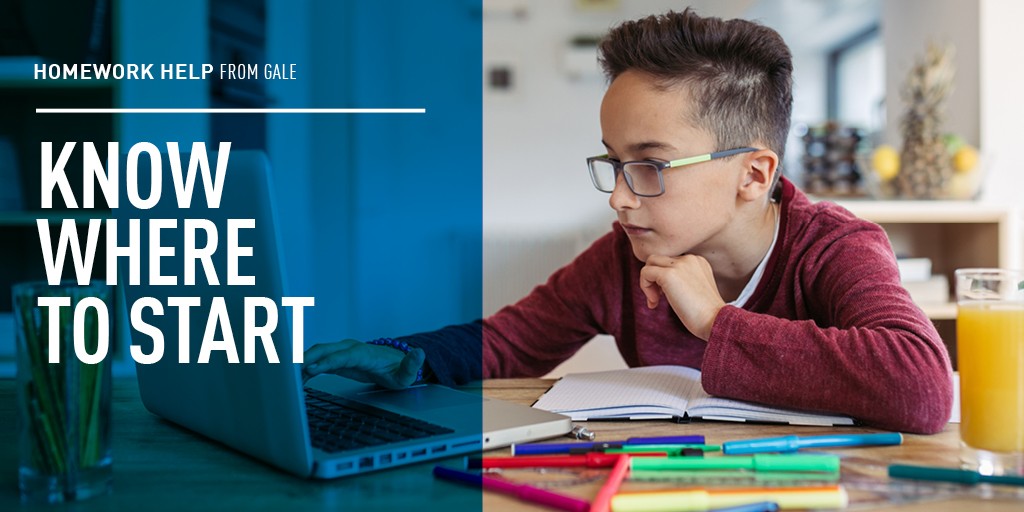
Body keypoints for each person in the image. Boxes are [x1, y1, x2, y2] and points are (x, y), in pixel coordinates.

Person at [304, 8, 953, 434]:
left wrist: (715, 321)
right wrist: (404, 356)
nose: (618, 198)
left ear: (753, 175)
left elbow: (922, 388)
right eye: (612, 163)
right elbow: (508, 342)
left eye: (649, 165)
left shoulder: (833, 246)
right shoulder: (624, 256)